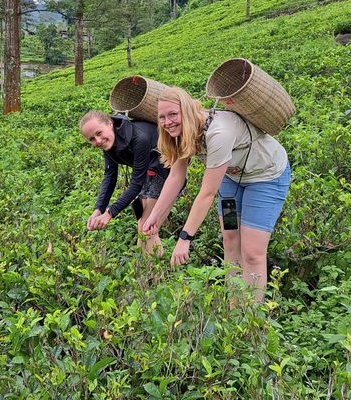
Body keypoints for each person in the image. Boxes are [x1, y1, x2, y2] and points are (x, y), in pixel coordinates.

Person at [142, 87, 291, 301]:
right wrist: (155, 215)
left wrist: (185, 238)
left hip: (266, 178)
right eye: (162, 117)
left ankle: (251, 317)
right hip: (232, 180)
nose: (167, 122)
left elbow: (207, 193)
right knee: (230, 240)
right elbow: (175, 177)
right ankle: (234, 306)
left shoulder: (219, 133)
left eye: (173, 114)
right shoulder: (180, 132)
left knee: (251, 252)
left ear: (187, 109)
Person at [79, 110, 170, 255]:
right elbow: (110, 177)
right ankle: (151, 270)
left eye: (99, 133)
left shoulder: (140, 138)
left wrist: (110, 213)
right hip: (148, 172)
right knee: (144, 224)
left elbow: (136, 184)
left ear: (110, 123)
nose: (97, 141)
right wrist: (98, 209)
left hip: (166, 170)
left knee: (146, 226)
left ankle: (152, 272)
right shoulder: (109, 142)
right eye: (91, 139)